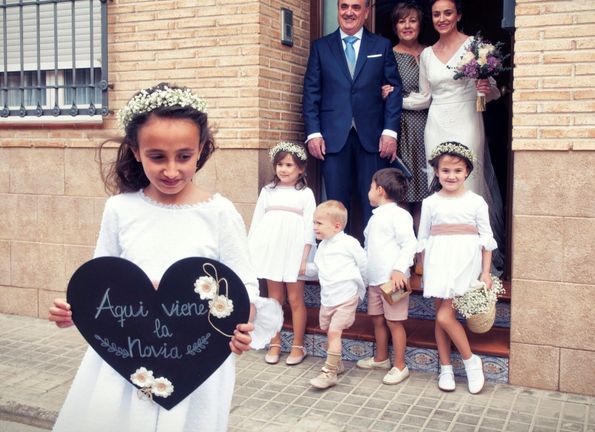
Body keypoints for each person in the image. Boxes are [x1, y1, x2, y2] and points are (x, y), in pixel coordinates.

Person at [48, 83, 281, 431]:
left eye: (184, 156)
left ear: (200, 149)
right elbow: (101, 279)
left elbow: (242, 284)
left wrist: (241, 326)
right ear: (136, 150)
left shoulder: (219, 213)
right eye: (157, 156)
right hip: (126, 361)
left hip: (196, 363)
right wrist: (74, 310)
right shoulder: (120, 209)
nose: (171, 170)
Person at [412, 0, 505, 273]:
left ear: (458, 15)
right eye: (436, 14)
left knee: (470, 184)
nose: (441, 19)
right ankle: (441, 259)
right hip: (436, 122)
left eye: (447, 13)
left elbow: (494, 95)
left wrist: (486, 88)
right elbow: (424, 97)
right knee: (439, 185)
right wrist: (391, 97)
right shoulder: (427, 54)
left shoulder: (474, 47)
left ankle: (478, 263)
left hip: (467, 119)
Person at [302, 0, 403, 229]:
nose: (349, 12)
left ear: (366, 12)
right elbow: (311, 92)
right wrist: (313, 133)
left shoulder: (381, 45)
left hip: (372, 139)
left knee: (374, 205)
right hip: (333, 139)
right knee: (336, 206)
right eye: (344, 6)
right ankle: (339, 261)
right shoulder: (321, 47)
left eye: (356, 7)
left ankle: (373, 261)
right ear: (338, 10)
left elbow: (394, 89)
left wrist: (390, 132)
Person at [417, 141, 496, 394]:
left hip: (464, 260)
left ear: (467, 173)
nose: (451, 176)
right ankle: (446, 367)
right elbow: (423, 238)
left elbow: (487, 240)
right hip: (438, 260)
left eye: (458, 171)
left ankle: (472, 361)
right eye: (446, 171)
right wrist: (422, 268)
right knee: (440, 315)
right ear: (437, 172)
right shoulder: (430, 203)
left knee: (444, 315)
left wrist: (485, 272)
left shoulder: (476, 202)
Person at [248, 141, 315, 366]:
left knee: (295, 299)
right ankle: (274, 341)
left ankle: (298, 345)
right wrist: (252, 251)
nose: (283, 169)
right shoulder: (267, 192)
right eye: (280, 164)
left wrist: (305, 257)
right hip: (271, 250)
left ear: (301, 169)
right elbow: (257, 223)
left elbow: (309, 228)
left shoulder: (306, 194)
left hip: (295, 251)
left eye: (289, 165)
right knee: (274, 299)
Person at [356, 168, 417, 385]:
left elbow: (410, 243)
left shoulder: (400, 215)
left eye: (371, 187)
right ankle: (381, 358)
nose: (369, 192)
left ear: (379, 190)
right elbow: (368, 247)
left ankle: (400, 365)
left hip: (394, 281)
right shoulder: (375, 218)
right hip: (374, 279)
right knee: (377, 318)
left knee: (394, 322)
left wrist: (400, 269)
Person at [309, 200, 367, 389]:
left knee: (335, 331)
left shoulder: (349, 243)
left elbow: (364, 264)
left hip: (346, 296)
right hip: (328, 298)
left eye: (319, 223)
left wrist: (361, 288)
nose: (314, 226)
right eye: (314, 222)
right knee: (328, 330)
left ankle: (329, 373)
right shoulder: (323, 246)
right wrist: (300, 270)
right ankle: (338, 363)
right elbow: (319, 270)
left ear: (336, 226)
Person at [383, 2, 430, 228]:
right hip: (402, 128)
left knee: (426, 194)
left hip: (430, 125)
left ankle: (421, 258)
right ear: (395, 27)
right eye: (402, 21)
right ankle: (406, 255)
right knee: (403, 191)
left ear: (421, 24)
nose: (407, 25)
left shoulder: (431, 53)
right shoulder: (388, 54)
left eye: (412, 20)